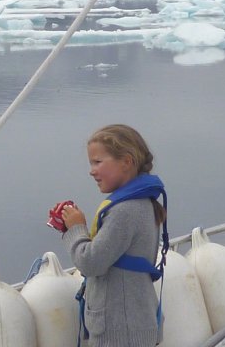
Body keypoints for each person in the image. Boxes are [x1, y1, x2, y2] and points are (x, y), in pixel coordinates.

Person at [57, 124, 168, 347]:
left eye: (98, 162)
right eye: (91, 163)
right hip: (133, 324)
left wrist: (76, 229)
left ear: (127, 161)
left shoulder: (125, 211)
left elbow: (91, 263)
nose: (91, 170)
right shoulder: (142, 203)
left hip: (121, 332)